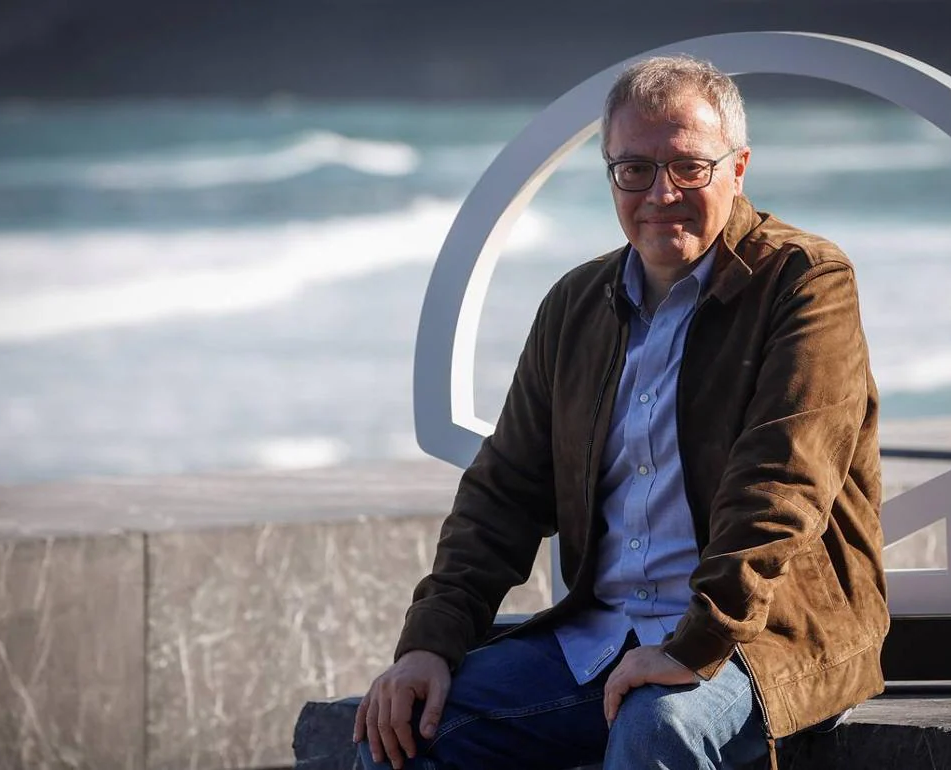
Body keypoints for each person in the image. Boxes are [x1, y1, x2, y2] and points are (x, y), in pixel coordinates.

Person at [342, 54, 889, 770]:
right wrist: (427, 645)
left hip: (761, 638)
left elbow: (782, 486)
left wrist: (694, 646)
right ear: (610, 174)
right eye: (634, 169)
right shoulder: (575, 305)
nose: (661, 193)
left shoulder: (804, 282)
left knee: (656, 729)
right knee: (403, 736)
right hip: (599, 639)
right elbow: (502, 495)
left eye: (689, 166)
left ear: (739, 167)